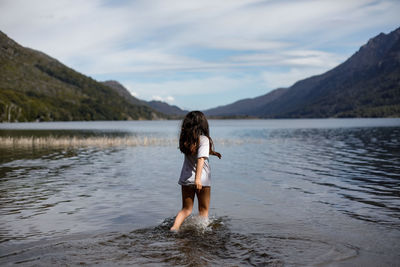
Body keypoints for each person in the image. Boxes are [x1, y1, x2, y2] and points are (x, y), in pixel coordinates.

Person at [170, 111, 221, 231]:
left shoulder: (185, 140)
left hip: (186, 179)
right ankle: (201, 233)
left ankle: (174, 227)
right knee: (203, 210)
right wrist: (198, 179)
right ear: (203, 124)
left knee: (186, 209)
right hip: (202, 180)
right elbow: (200, 158)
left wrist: (212, 153)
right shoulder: (204, 139)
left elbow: (196, 152)